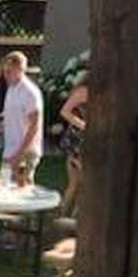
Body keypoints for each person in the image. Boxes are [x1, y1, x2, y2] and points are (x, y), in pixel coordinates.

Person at [0, 51, 44, 186]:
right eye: (4, 71)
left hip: (25, 152)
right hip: (9, 150)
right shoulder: (11, 89)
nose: (5, 75)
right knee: (4, 191)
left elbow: (35, 125)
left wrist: (20, 154)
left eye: (9, 71)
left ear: (20, 70)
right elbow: (12, 117)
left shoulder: (29, 92)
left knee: (22, 194)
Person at [57, 80, 90, 216]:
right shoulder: (84, 90)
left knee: (80, 184)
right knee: (79, 183)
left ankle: (69, 217)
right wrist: (84, 125)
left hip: (89, 140)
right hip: (78, 141)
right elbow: (65, 111)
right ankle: (68, 217)